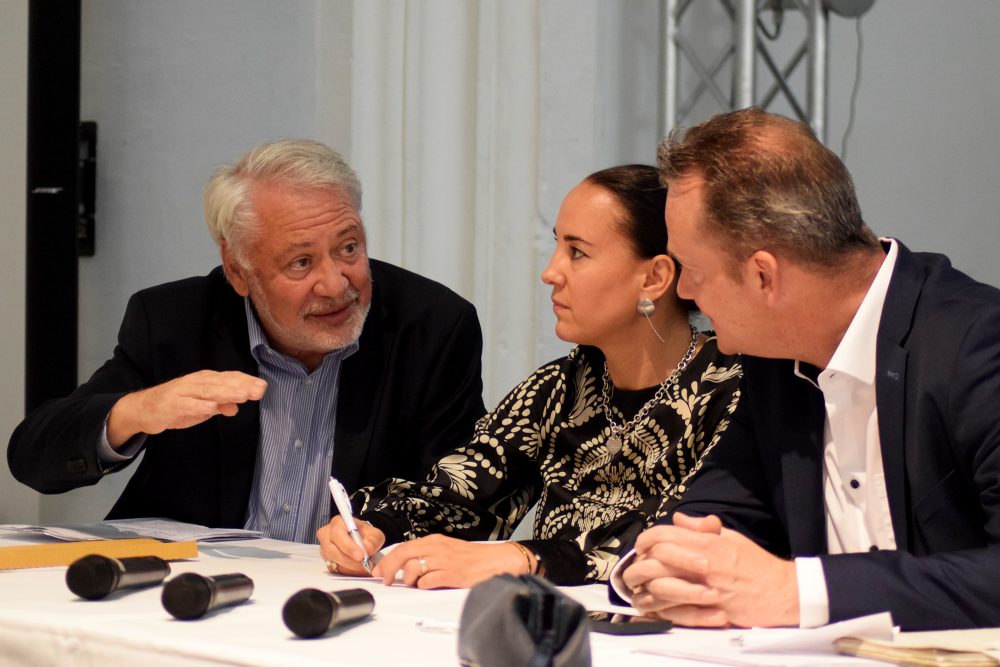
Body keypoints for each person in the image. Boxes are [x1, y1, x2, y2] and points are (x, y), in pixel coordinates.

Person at [613, 107, 1000, 631]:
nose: (682, 292)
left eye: (693, 271)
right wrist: (658, 566)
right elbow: (711, 515)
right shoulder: (774, 361)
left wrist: (800, 591)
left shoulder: (978, 347)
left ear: (763, 276)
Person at [7, 139, 487, 544]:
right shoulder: (176, 322)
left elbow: (467, 496)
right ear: (238, 270)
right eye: (300, 263)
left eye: (348, 248)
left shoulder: (432, 328)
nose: (336, 284)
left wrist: (384, 527)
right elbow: (33, 459)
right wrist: (137, 411)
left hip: (344, 595)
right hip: (193, 589)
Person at [317, 164, 742, 587]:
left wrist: (525, 557)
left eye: (577, 252)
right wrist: (374, 528)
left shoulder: (729, 388)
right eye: (558, 247)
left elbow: (686, 536)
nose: (550, 272)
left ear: (655, 277)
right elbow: (460, 497)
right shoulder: (560, 388)